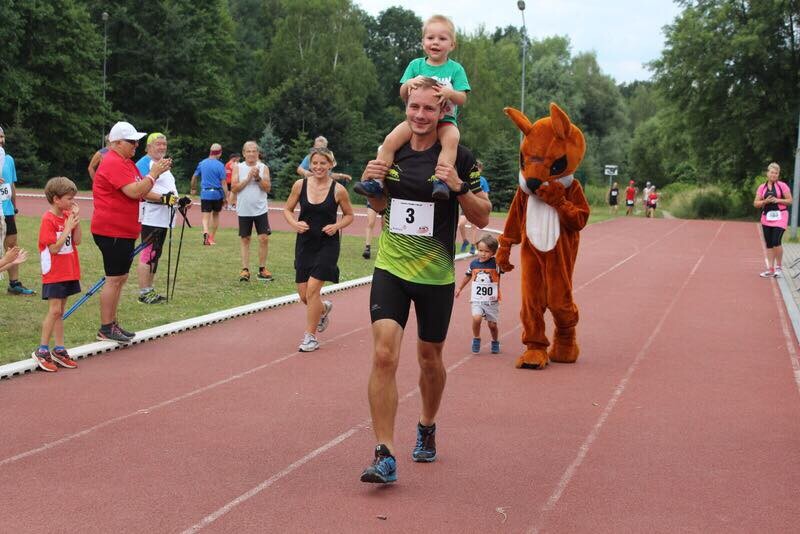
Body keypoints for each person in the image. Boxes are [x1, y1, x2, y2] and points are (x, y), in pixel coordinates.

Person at [357, 78, 490, 484]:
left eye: (428, 109)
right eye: (413, 108)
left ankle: (427, 424)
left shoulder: (459, 156)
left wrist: (458, 187)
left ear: (442, 111)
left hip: (435, 275)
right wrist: (372, 187)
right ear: (407, 108)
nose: (419, 115)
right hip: (391, 268)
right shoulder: (393, 150)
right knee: (383, 355)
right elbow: (380, 204)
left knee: (430, 359)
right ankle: (384, 452)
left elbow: (483, 215)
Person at [356, 14, 470, 202]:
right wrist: (409, 83)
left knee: (452, 141)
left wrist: (450, 93)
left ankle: (441, 181)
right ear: (423, 41)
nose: (435, 42)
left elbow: (462, 98)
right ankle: (376, 181)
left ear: (452, 45)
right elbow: (403, 94)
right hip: (416, 121)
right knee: (390, 140)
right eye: (430, 38)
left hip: (445, 121)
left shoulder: (455, 69)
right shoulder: (415, 65)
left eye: (442, 39)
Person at [91, 121, 172, 343]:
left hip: (123, 230)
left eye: (137, 141)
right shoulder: (113, 163)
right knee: (114, 278)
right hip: (111, 230)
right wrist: (153, 174)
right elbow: (135, 191)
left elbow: (142, 191)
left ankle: (112, 323)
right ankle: (106, 327)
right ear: (116, 143)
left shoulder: (127, 163)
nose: (136, 145)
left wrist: (163, 193)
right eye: (131, 141)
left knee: (120, 277)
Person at [284, 147, 354, 352]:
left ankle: (310, 337)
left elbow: (349, 215)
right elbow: (288, 210)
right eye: (314, 163)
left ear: (331, 165)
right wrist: (295, 224)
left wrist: (337, 226)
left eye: (323, 163)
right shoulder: (300, 185)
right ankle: (323, 309)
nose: (318, 167)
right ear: (310, 164)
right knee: (304, 295)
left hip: (327, 243)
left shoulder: (338, 190)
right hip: (305, 243)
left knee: (313, 290)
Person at [31, 177, 82, 372]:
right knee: (54, 310)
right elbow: (53, 248)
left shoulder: (67, 215)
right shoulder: (48, 219)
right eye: (69, 198)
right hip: (54, 270)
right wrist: (67, 227)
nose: (72, 202)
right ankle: (42, 349)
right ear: (56, 199)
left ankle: (59, 349)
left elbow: (76, 241)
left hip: (69, 268)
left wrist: (76, 222)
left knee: (61, 311)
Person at [135, 133, 183, 304]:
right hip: (151, 215)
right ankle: (144, 292)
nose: (162, 147)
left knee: (156, 253)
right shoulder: (143, 163)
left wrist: (179, 201)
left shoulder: (162, 164)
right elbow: (140, 189)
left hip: (164, 216)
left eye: (164, 144)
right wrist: (165, 199)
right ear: (148, 147)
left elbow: (167, 188)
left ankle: (150, 289)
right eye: (158, 144)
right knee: (148, 253)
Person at [1, 126, 36, 295]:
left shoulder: (9, 159)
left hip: (7, 210)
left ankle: (14, 284)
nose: (1, 140)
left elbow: (11, 185)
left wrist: (13, 208)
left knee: (12, 245)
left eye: (2, 136)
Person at [232, 141, 273, 282]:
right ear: (243, 153)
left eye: (254, 151)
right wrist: (248, 177)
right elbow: (234, 188)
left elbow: (267, 188)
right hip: (244, 210)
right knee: (245, 239)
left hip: (260, 209)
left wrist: (257, 178)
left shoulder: (263, 168)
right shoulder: (238, 167)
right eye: (248, 151)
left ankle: (262, 269)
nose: (251, 154)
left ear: (258, 153)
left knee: (264, 238)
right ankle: (245, 269)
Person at [455, 233, 502, 354]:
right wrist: (460, 288)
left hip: (492, 300)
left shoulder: (496, 264)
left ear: (493, 252)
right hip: (477, 299)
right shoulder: (474, 264)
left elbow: (505, 267)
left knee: (492, 325)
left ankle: (495, 340)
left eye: (486, 251)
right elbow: (467, 276)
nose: (483, 253)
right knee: (476, 318)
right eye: (480, 250)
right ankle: (476, 338)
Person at [754, 162, 792, 278]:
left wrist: (777, 200)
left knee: (776, 241)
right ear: (768, 173)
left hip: (780, 217)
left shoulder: (782, 186)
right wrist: (765, 202)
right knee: (769, 244)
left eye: (776, 173)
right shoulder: (762, 187)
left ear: (778, 174)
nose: (774, 175)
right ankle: (770, 269)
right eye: (772, 172)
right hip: (766, 218)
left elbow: (790, 201)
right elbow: (756, 203)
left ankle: (779, 267)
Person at [190, 143, 227, 245]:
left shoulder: (202, 163)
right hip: (217, 194)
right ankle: (211, 238)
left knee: (205, 217)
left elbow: (194, 177)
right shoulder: (220, 165)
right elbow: (223, 183)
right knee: (215, 215)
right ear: (219, 153)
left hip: (205, 193)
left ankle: (205, 231)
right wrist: (226, 197)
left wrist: (193, 188)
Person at [458, 160, 490, 254]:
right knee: (461, 224)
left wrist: (485, 206)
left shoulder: (483, 180)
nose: (477, 170)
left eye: (478, 168)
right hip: (466, 205)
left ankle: (473, 245)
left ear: (481, 170)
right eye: (475, 168)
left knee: (474, 226)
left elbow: (486, 194)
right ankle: (465, 241)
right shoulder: (468, 178)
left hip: (477, 206)